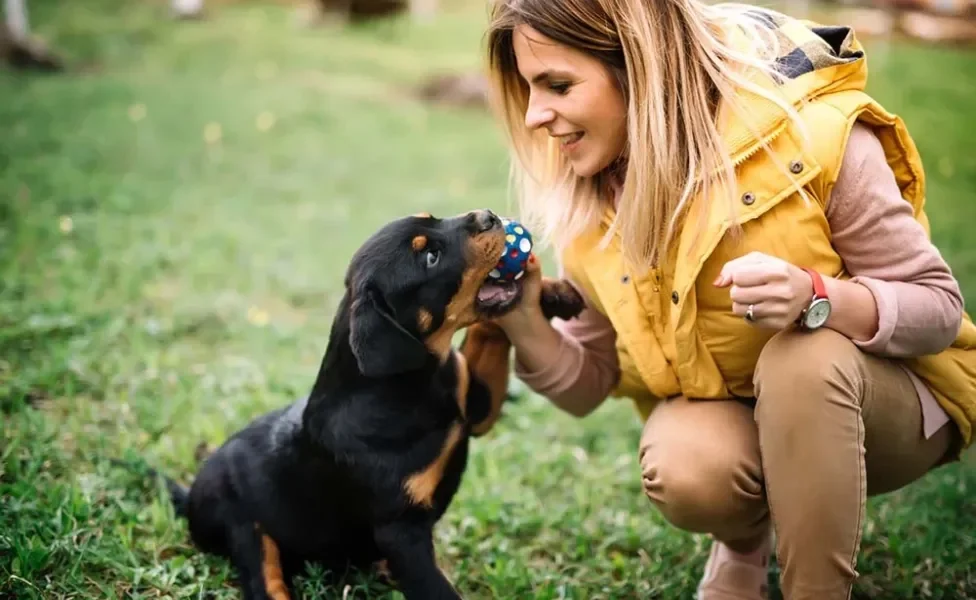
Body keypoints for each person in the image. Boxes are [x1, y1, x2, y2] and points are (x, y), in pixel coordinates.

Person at [482, 0, 976, 598]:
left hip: (893, 404)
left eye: (557, 84)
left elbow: (938, 308)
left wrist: (815, 298)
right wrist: (522, 316)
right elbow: (590, 380)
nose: (535, 115)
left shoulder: (814, 136)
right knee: (688, 465)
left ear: (641, 66)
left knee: (802, 360)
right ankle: (744, 543)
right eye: (527, 89)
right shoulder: (593, 201)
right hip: (742, 412)